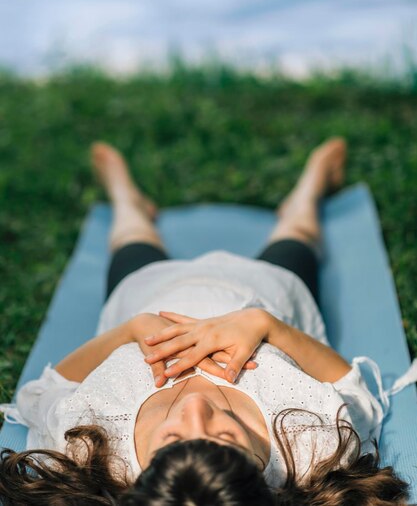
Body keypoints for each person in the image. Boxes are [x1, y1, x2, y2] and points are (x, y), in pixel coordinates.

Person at [0, 137, 415, 506]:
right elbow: (352, 388)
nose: (197, 410)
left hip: (146, 293)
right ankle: (307, 192)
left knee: (131, 237)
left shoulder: (95, 452)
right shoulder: (305, 448)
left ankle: (125, 198)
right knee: (298, 233)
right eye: (227, 437)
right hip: (267, 290)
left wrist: (128, 330)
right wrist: (265, 325)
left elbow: (41, 393)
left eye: (171, 438)